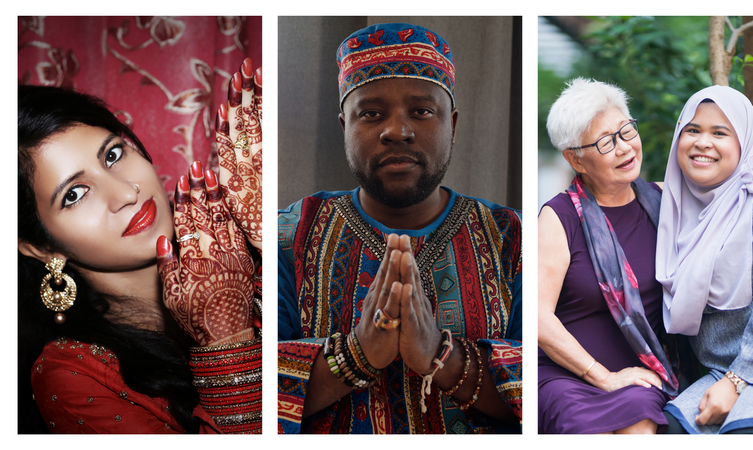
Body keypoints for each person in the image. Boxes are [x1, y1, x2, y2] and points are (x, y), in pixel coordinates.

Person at [277, 23, 522, 434]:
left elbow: (544, 388)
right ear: (344, 128)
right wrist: (358, 354)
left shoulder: (509, 237)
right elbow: (252, 393)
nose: (397, 131)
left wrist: (441, 356)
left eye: (422, 112)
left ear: (453, 125)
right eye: (371, 114)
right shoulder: (289, 236)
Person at [18, 58, 263, 434]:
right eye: (75, 194)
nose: (125, 193)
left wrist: (264, 241)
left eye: (112, 155)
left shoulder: (246, 258)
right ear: (40, 247)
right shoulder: (69, 376)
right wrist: (224, 341)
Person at [538, 78, 679, 434]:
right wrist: (603, 377)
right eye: (605, 142)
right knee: (581, 421)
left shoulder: (666, 204)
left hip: (641, 374)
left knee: (639, 413)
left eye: (626, 131)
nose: (624, 148)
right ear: (576, 159)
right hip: (566, 375)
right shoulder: (559, 217)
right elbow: (538, 317)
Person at [656, 86, 753, 434]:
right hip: (718, 372)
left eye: (719, 133)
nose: (702, 142)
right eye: (692, 130)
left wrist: (737, 379)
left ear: (743, 141)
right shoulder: (677, 205)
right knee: (668, 429)